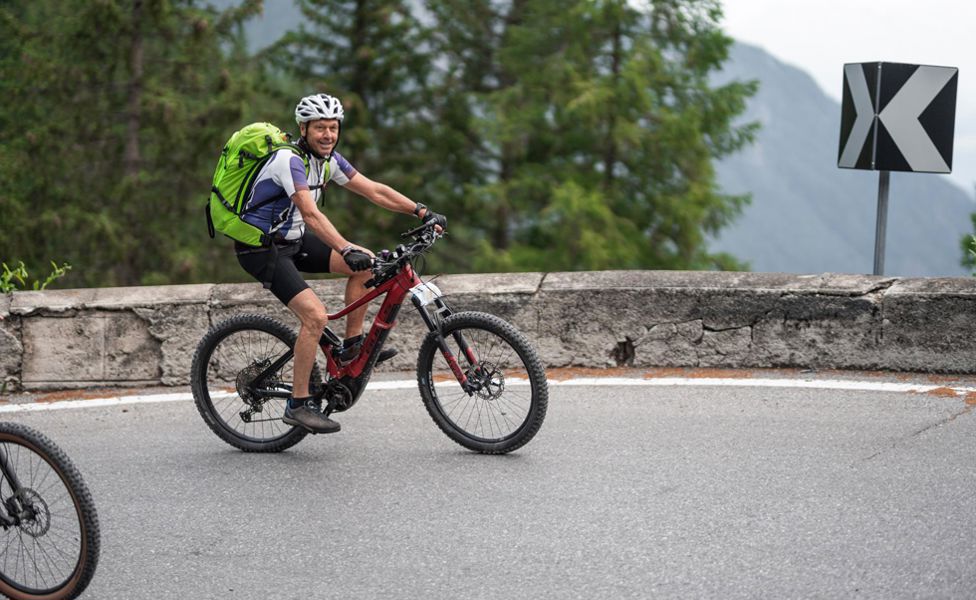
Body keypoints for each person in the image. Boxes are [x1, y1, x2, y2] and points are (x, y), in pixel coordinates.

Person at [235, 93, 446, 434]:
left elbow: (374, 191)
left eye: (333, 128)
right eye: (320, 128)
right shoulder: (288, 161)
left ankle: (351, 348)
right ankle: (298, 404)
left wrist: (420, 211)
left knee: (367, 266)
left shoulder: (329, 160)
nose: (328, 135)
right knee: (315, 317)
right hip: (260, 248)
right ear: (303, 129)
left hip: (294, 239)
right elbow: (311, 214)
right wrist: (346, 247)